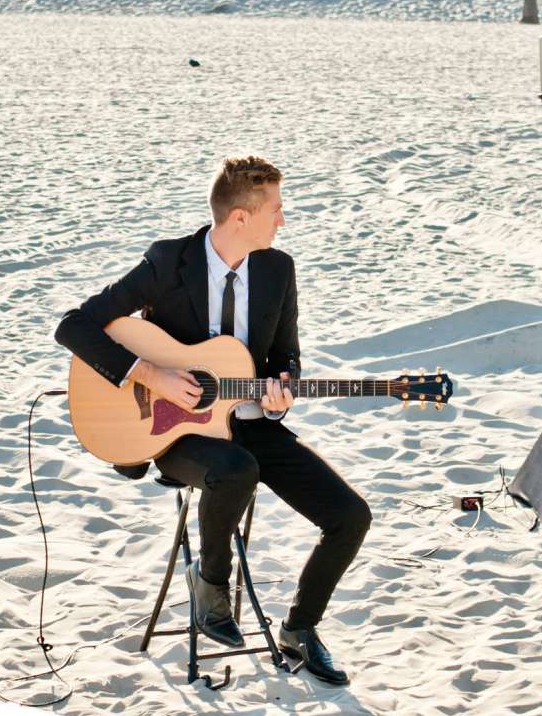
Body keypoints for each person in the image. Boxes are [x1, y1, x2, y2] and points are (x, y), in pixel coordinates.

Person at [55, 156, 371, 686]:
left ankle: (301, 628)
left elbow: (286, 354)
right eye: (275, 209)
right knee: (235, 470)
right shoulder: (167, 262)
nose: (283, 220)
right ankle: (211, 588)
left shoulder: (277, 269)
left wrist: (283, 388)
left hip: (251, 422)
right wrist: (150, 374)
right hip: (179, 434)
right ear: (240, 218)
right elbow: (74, 326)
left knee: (350, 516)